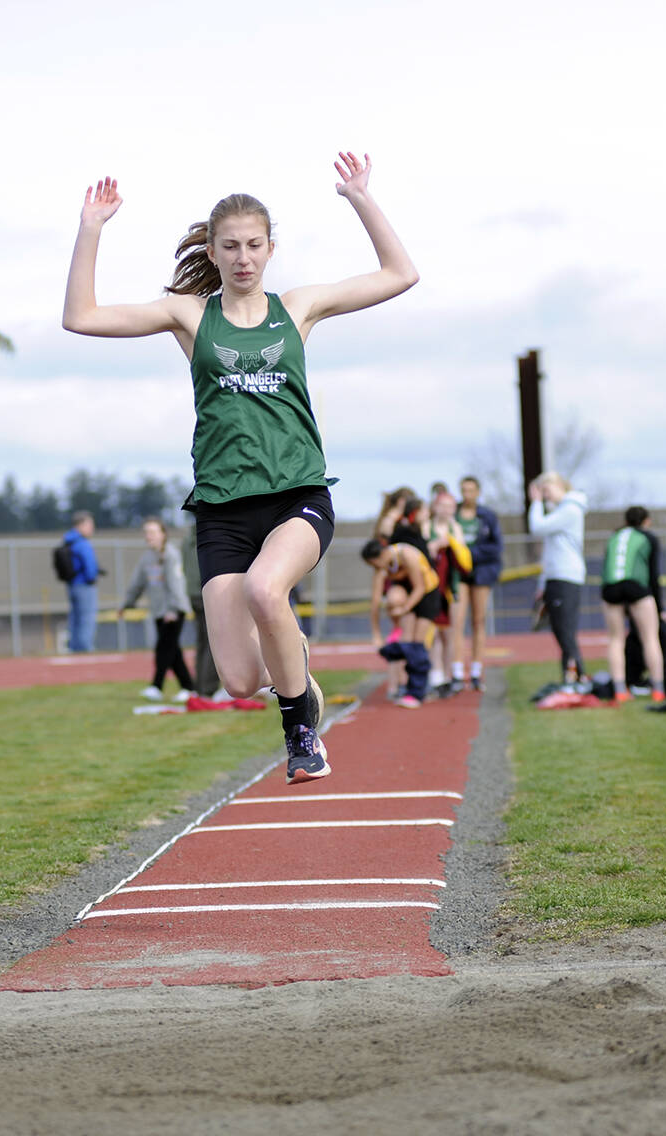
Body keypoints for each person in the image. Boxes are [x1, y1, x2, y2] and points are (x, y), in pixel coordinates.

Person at [62, 153, 418, 782]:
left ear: (270, 248)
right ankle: (295, 670)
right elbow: (81, 318)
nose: (243, 256)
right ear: (215, 249)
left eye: (255, 244)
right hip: (222, 511)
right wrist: (92, 228)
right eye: (230, 246)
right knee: (236, 680)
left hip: (297, 498)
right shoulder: (189, 315)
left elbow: (400, 274)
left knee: (264, 589)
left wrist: (359, 197)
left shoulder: (298, 308)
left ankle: (301, 727)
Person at [120, 516, 196, 701]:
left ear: (163, 534)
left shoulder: (170, 555)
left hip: (173, 611)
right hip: (158, 612)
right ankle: (189, 688)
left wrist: (174, 609)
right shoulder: (147, 558)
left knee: (163, 649)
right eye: (146, 532)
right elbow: (137, 583)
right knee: (173, 651)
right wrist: (126, 604)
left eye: (153, 532)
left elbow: (175, 584)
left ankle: (156, 686)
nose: (149, 536)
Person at [527, 471, 588, 697]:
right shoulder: (560, 511)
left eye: (547, 489)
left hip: (566, 576)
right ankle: (570, 676)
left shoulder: (571, 510)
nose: (544, 495)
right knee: (560, 630)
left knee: (566, 631)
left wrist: (535, 503)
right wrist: (542, 584)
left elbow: (537, 527)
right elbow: (549, 553)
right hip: (555, 577)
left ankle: (578, 677)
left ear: (560, 486)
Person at [363, 537, 440, 708]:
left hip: (427, 593)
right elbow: (375, 602)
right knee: (407, 640)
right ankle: (403, 675)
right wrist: (375, 633)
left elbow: (419, 587)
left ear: (382, 554)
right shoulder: (382, 568)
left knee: (417, 644)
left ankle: (418, 691)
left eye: (375, 564)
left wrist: (404, 610)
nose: (376, 568)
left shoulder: (406, 555)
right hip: (409, 595)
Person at [600, 507, 666, 706]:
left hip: (610, 588)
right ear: (646, 521)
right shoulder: (648, 538)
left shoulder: (614, 537)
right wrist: (660, 608)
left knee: (615, 639)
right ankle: (658, 689)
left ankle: (620, 690)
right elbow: (653, 576)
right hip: (636, 587)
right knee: (650, 638)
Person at [454, 475, 503, 692]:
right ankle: (456, 672)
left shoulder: (488, 516)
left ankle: (476, 671)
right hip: (458, 574)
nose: (467, 494)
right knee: (457, 620)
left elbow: (495, 547)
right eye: (463, 490)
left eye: (471, 490)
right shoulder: (453, 514)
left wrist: (469, 554)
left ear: (478, 492)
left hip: (481, 572)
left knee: (478, 621)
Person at [423, 488, 472, 697]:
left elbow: (463, 557)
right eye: (443, 506)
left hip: (450, 587)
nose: (447, 510)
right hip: (432, 585)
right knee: (432, 633)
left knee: (449, 632)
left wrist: (450, 542)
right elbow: (424, 549)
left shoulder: (456, 528)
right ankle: (436, 675)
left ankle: (452, 674)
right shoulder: (428, 526)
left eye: (451, 507)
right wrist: (435, 545)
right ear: (435, 507)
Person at [179, 523, 222, 699]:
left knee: (202, 641)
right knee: (213, 642)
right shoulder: (208, 532)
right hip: (206, 591)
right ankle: (208, 688)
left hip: (193, 593)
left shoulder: (186, 538)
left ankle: (199, 686)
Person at [62, 511, 102, 652]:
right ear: (81, 525)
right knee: (87, 618)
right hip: (84, 585)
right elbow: (90, 565)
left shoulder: (68, 540)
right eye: (90, 524)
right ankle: (85, 647)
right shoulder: (82, 543)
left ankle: (74, 647)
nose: (92, 528)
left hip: (72, 585)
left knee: (75, 618)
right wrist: (93, 578)